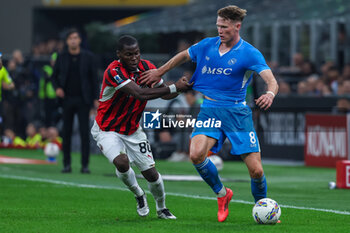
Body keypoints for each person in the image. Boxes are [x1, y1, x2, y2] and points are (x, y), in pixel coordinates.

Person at [141, 5, 279, 222]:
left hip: (237, 113)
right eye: (218, 26)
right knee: (196, 155)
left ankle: (262, 209)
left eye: (224, 27)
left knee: (257, 172)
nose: (220, 30)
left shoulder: (249, 52)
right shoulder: (207, 45)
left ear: (237, 26)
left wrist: (270, 94)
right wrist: (160, 71)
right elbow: (183, 56)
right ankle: (222, 194)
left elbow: (271, 81)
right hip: (210, 110)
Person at [91, 35, 192, 219]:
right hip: (107, 129)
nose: (134, 58)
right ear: (119, 55)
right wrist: (173, 87)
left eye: (136, 53)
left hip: (133, 130)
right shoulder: (113, 71)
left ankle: (162, 208)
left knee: (152, 174)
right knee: (121, 162)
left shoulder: (147, 68)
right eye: (129, 54)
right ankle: (139, 194)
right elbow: (139, 94)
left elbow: (164, 95)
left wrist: (177, 89)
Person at [52, 28, 98, 173]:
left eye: (75, 38)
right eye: (70, 38)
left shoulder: (88, 57)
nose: (73, 40)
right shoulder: (61, 57)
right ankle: (67, 164)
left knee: (85, 133)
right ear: (67, 41)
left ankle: (85, 165)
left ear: (79, 40)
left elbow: (94, 80)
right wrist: (57, 88)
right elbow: (54, 76)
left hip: (84, 100)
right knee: (66, 132)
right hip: (66, 100)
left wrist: (96, 98)